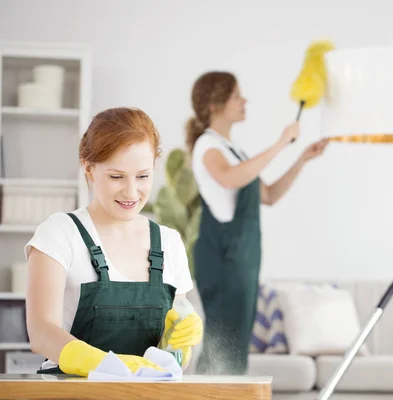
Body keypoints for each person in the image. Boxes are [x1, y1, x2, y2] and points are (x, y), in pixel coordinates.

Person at [25, 107, 204, 377]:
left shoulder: (169, 243)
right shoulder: (60, 233)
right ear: (88, 168)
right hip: (70, 393)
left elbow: (173, 360)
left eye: (143, 176)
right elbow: (41, 333)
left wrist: (180, 344)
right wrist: (104, 366)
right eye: (116, 177)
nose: (131, 192)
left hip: (147, 394)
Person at [186, 71, 328, 375]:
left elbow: (270, 195)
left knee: (235, 342)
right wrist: (279, 144)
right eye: (237, 95)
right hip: (224, 258)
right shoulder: (207, 147)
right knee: (222, 342)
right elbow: (227, 178)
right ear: (215, 104)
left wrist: (301, 158)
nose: (244, 100)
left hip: (242, 258)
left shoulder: (234, 150)